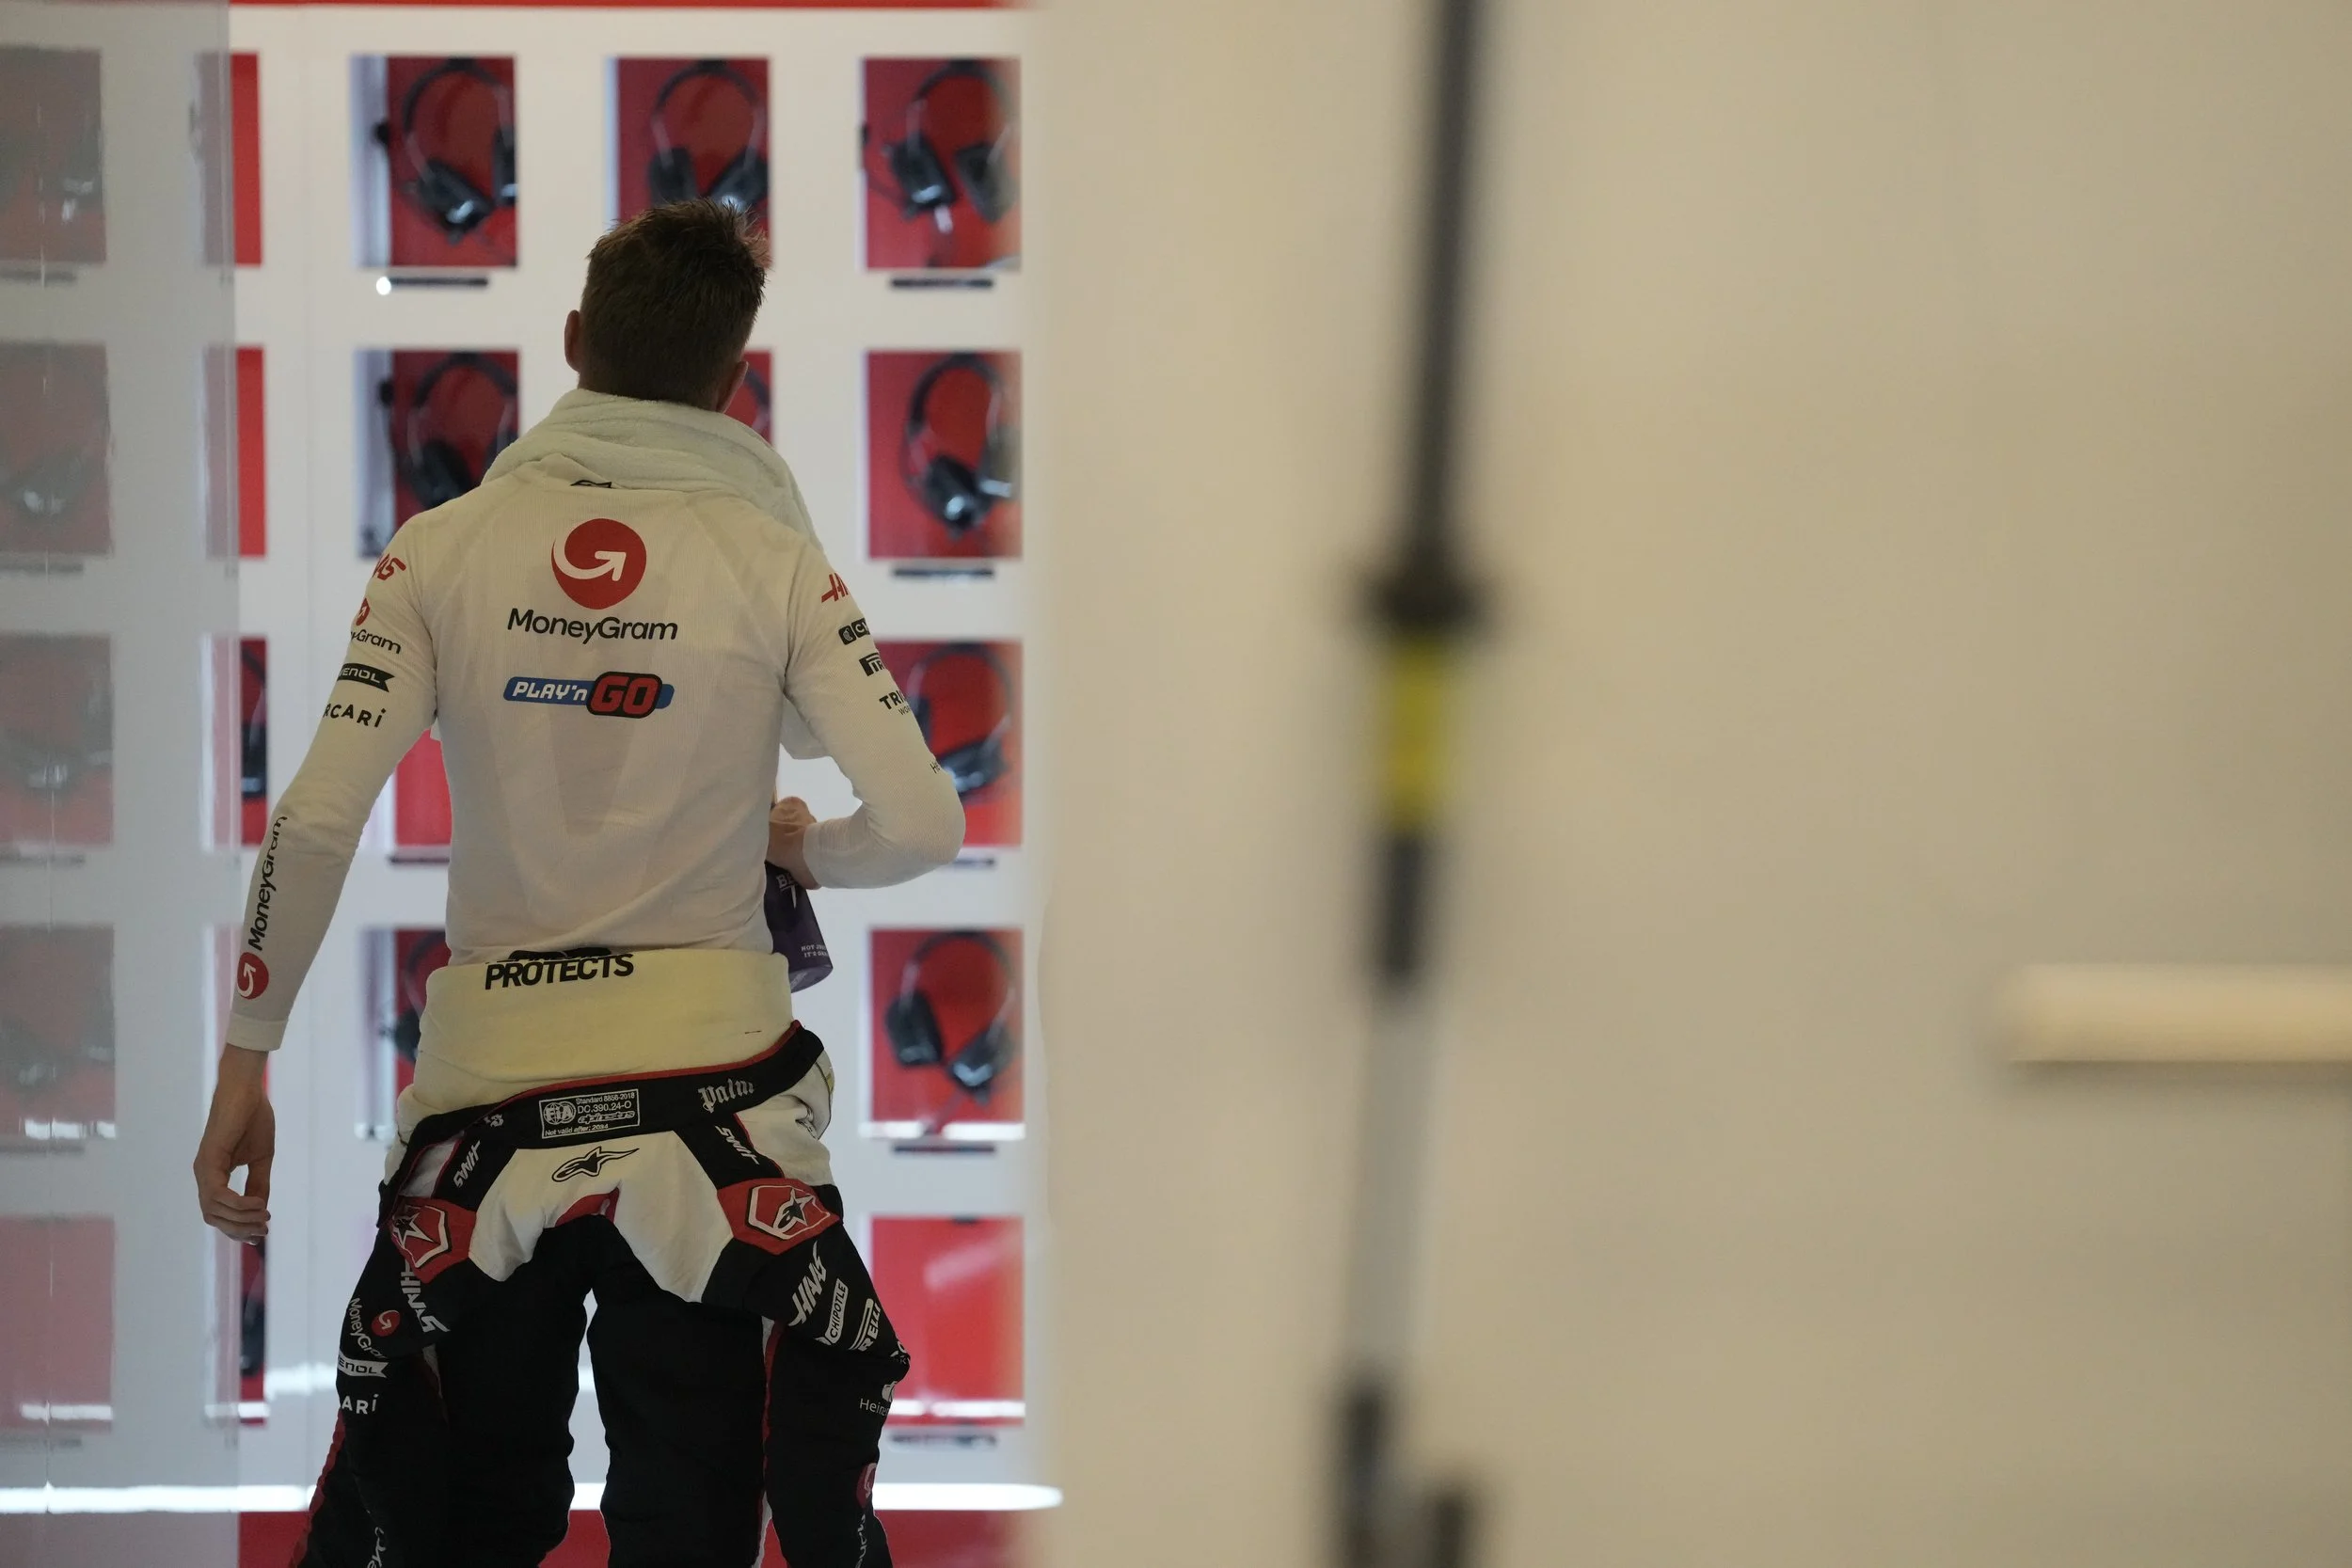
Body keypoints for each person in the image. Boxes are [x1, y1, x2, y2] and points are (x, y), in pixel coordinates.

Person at [192, 200, 964, 1568]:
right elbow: (919, 823)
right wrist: (807, 850)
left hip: (487, 1110)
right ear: (735, 384)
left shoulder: (439, 549)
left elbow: (313, 820)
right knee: (693, 1530)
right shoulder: (774, 560)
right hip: (720, 1119)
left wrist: (245, 1060)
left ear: (568, 342)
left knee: (464, 1529)